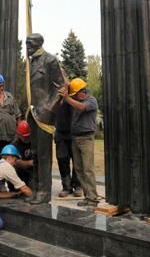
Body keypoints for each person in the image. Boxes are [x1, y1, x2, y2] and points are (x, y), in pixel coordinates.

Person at [26, 33, 65, 204]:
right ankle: (36, 189)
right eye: (26, 43)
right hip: (32, 114)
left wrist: (49, 110)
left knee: (43, 154)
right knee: (35, 153)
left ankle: (44, 192)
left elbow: (61, 88)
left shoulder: (50, 60)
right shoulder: (30, 62)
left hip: (44, 114)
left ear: (39, 44)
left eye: (30, 43)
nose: (26, 46)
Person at [59, 78, 99, 212]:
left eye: (76, 94)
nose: (74, 96)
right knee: (79, 169)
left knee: (88, 169)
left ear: (83, 92)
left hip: (86, 138)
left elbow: (81, 108)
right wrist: (62, 77)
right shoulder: (77, 99)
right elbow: (70, 85)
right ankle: (88, 197)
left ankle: (93, 199)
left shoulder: (90, 101)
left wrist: (68, 98)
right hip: (75, 137)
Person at [55, 68, 82, 198]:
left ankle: (78, 186)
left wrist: (65, 82)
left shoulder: (73, 91)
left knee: (77, 160)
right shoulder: (53, 91)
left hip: (74, 132)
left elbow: (76, 93)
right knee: (62, 160)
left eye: (60, 76)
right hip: (60, 132)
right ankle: (67, 187)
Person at [10, 120, 34, 189]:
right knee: (12, 168)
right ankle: (14, 189)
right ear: (19, 135)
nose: (27, 139)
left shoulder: (34, 142)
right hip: (21, 172)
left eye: (28, 136)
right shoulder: (14, 145)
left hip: (33, 172)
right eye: (24, 137)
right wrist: (31, 163)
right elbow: (18, 162)